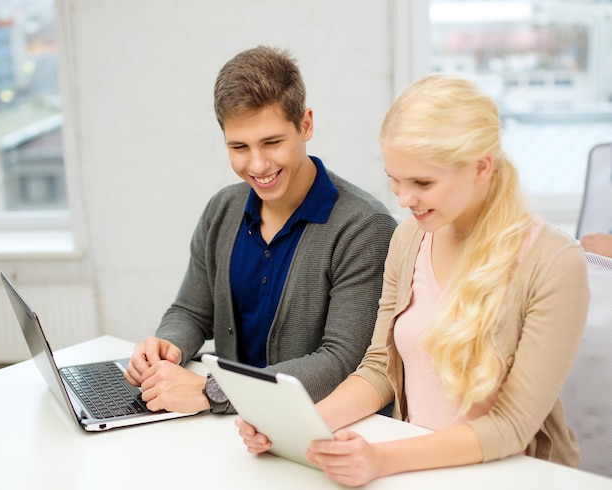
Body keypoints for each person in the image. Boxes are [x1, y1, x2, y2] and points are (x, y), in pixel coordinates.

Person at [237, 73, 590, 487]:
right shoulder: (410, 237)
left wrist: (381, 459)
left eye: (422, 183)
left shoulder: (554, 262)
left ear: (481, 167)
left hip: (510, 475)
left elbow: (511, 425)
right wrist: (300, 427)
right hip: (417, 465)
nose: (403, 199)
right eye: (395, 179)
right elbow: (381, 368)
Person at [124, 46, 397, 415]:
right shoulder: (222, 210)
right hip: (236, 427)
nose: (257, 164)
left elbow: (343, 361)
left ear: (306, 124)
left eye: (272, 142)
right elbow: (190, 311)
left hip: (318, 430)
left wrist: (215, 391)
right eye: (239, 147)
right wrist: (167, 346)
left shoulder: (365, 228)